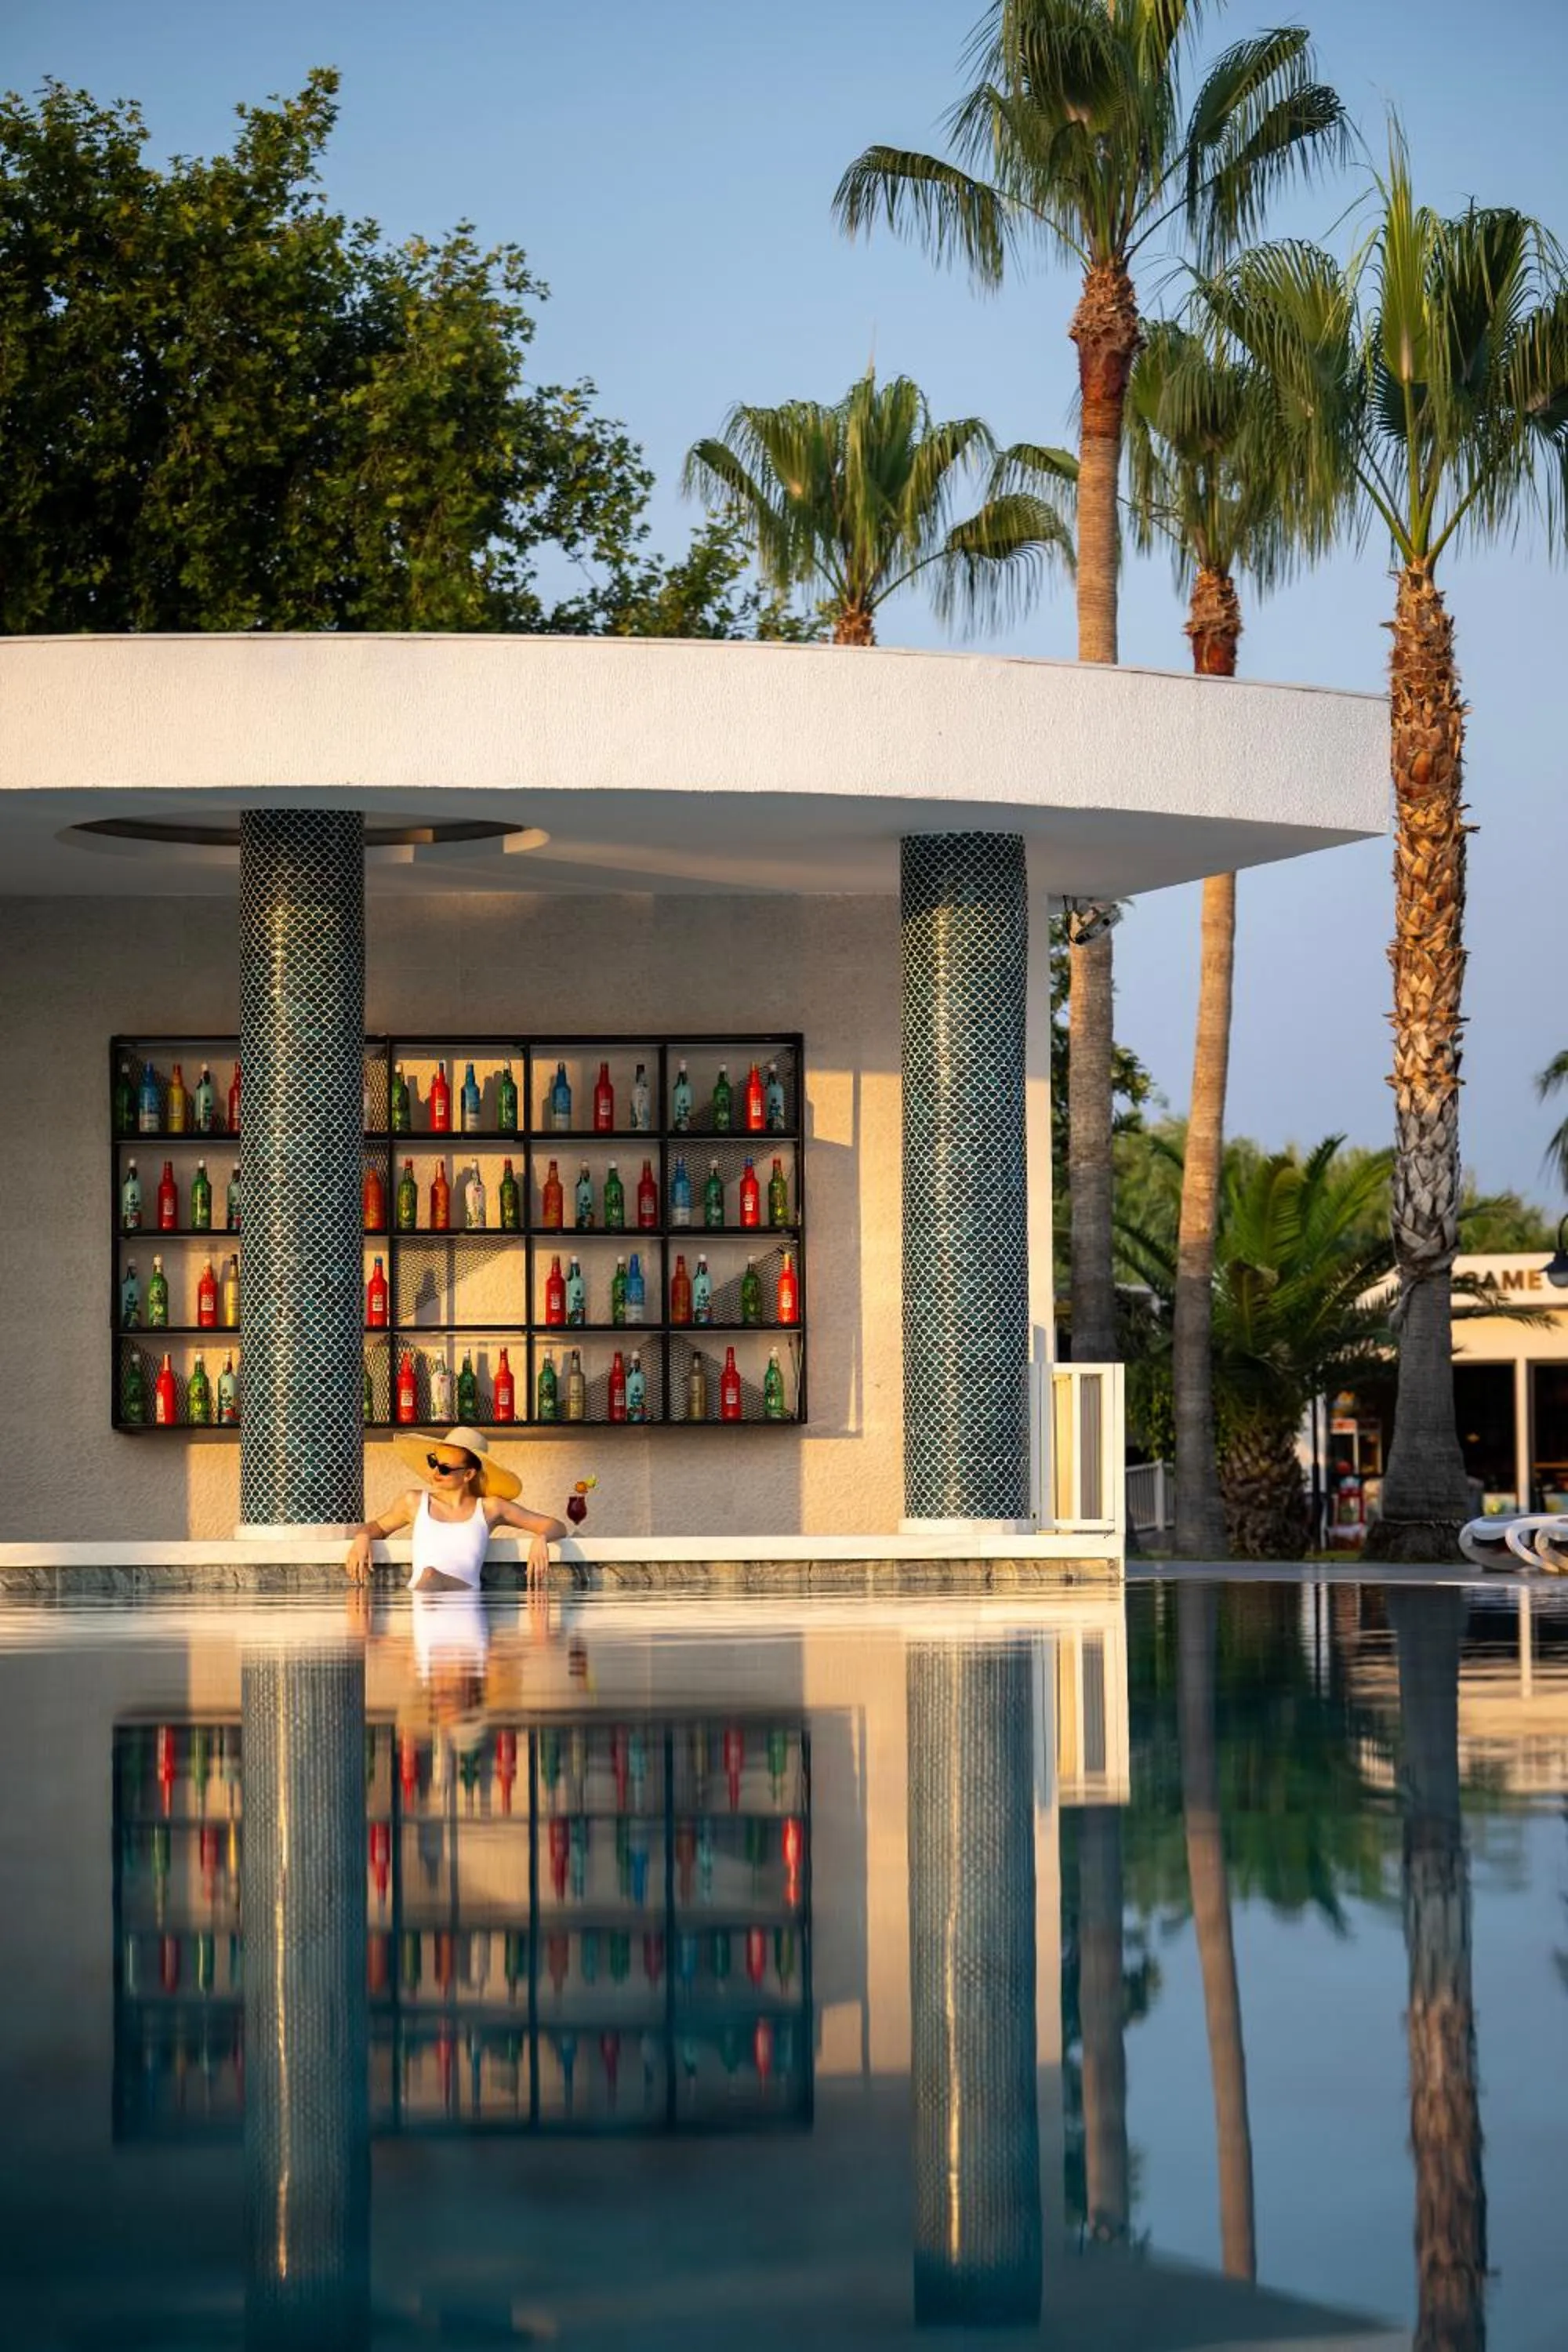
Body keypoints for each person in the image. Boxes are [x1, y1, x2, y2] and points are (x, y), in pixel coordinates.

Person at [344, 1425, 566, 1591]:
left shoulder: (489, 1508)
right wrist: (363, 1538)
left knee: (430, 1575)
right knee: (429, 1575)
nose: (435, 1473)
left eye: (445, 1469)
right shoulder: (414, 1502)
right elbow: (378, 1527)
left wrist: (541, 1539)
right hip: (424, 1602)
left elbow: (556, 1526)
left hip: (464, 1600)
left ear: (468, 1474)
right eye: (433, 1463)